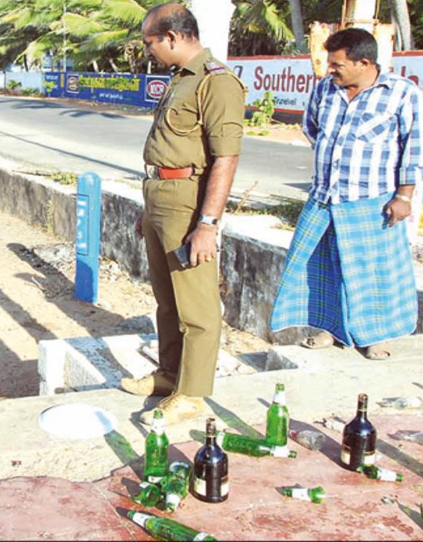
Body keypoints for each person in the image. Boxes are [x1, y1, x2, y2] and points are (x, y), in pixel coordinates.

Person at [119, 3, 246, 425]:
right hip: (160, 197)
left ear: (172, 37)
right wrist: (148, 208)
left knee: (197, 306)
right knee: (167, 300)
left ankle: (192, 394)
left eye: (150, 42)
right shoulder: (180, 81)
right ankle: (170, 374)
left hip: (189, 203)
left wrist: (207, 224)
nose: (149, 51)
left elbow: (225, 159)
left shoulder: (217, 83)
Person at [270, 28, 422, 360]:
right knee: (322, 267)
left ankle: (375, 336)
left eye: (336, 64)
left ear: (363, 62)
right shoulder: (325, 89)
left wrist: (405, 197)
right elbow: (312, 128)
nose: (329, 70)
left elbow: (413, 147)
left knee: (371, 272)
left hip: (374, 201)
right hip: (324, 197)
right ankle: (330, 329)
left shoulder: (401, 93)